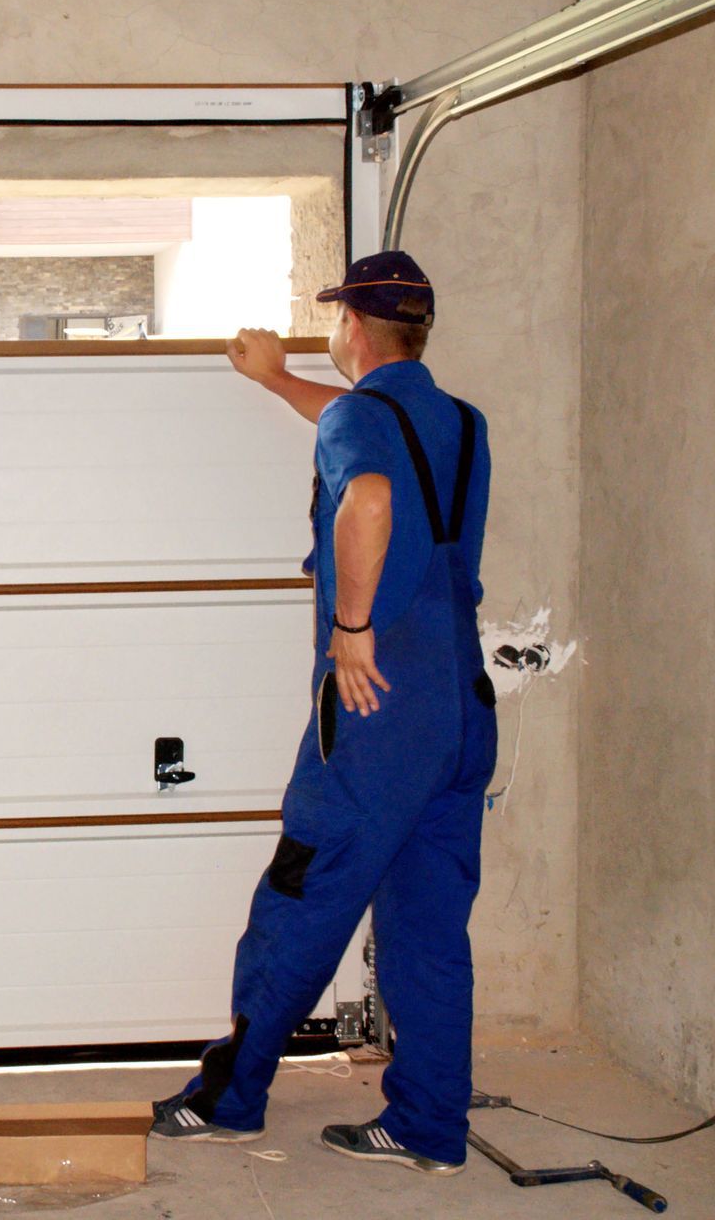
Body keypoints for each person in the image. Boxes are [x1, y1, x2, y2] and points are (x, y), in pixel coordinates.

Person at [149, 252, 497, 1174]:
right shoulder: (459, 422)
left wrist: (351, 627)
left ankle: (231, 1099)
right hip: (460, 706)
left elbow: (372, 495)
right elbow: (381, 446)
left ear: (353, 325)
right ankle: (428, 1126)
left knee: (302, 897)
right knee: (428, 921)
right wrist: (278, 384)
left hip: (378, 709)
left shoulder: (358, 419)